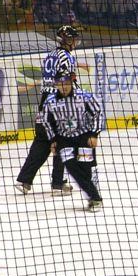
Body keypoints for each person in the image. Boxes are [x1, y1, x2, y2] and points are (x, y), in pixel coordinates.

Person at [15, 26, 80, 196]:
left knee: (42, 141)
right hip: (59, 103)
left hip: (45, 101)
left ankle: (24, 180)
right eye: (73, 39)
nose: (75, 42)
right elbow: (66, 83)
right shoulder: (67, 58)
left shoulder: (49, 56)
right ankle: (58, 183)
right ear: (67, 40)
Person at [41, 71, 104, 213]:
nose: (64, 86)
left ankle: (92, 198)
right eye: (60, 83)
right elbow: (46, 121)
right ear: (56, 84)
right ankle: (96, 198)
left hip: (84, 137)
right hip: (64, 140)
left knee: (86, 169)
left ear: (71, 82)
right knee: (70, 167)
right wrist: (52, 140)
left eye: (67, 83)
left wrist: (94, 134)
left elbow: (98, 113)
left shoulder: (85, 96)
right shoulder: (50, 101)